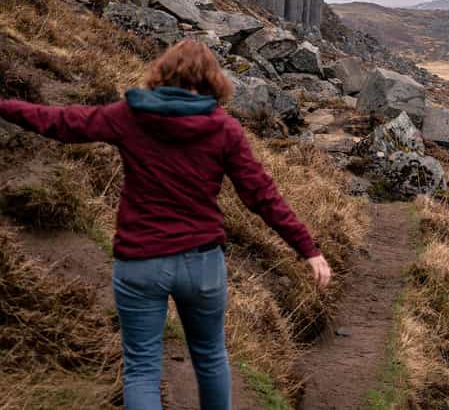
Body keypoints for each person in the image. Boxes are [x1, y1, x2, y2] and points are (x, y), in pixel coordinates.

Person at [0, 39, 331, 410]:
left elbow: (60, 122)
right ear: (212, 81)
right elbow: (262, 196)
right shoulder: (223, 129)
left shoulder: (130, 115)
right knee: (210, 356)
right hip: (203, 265)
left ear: (162, 73)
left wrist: (4, 106)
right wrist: (309, 250)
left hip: (141, 261)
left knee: (142, 368)